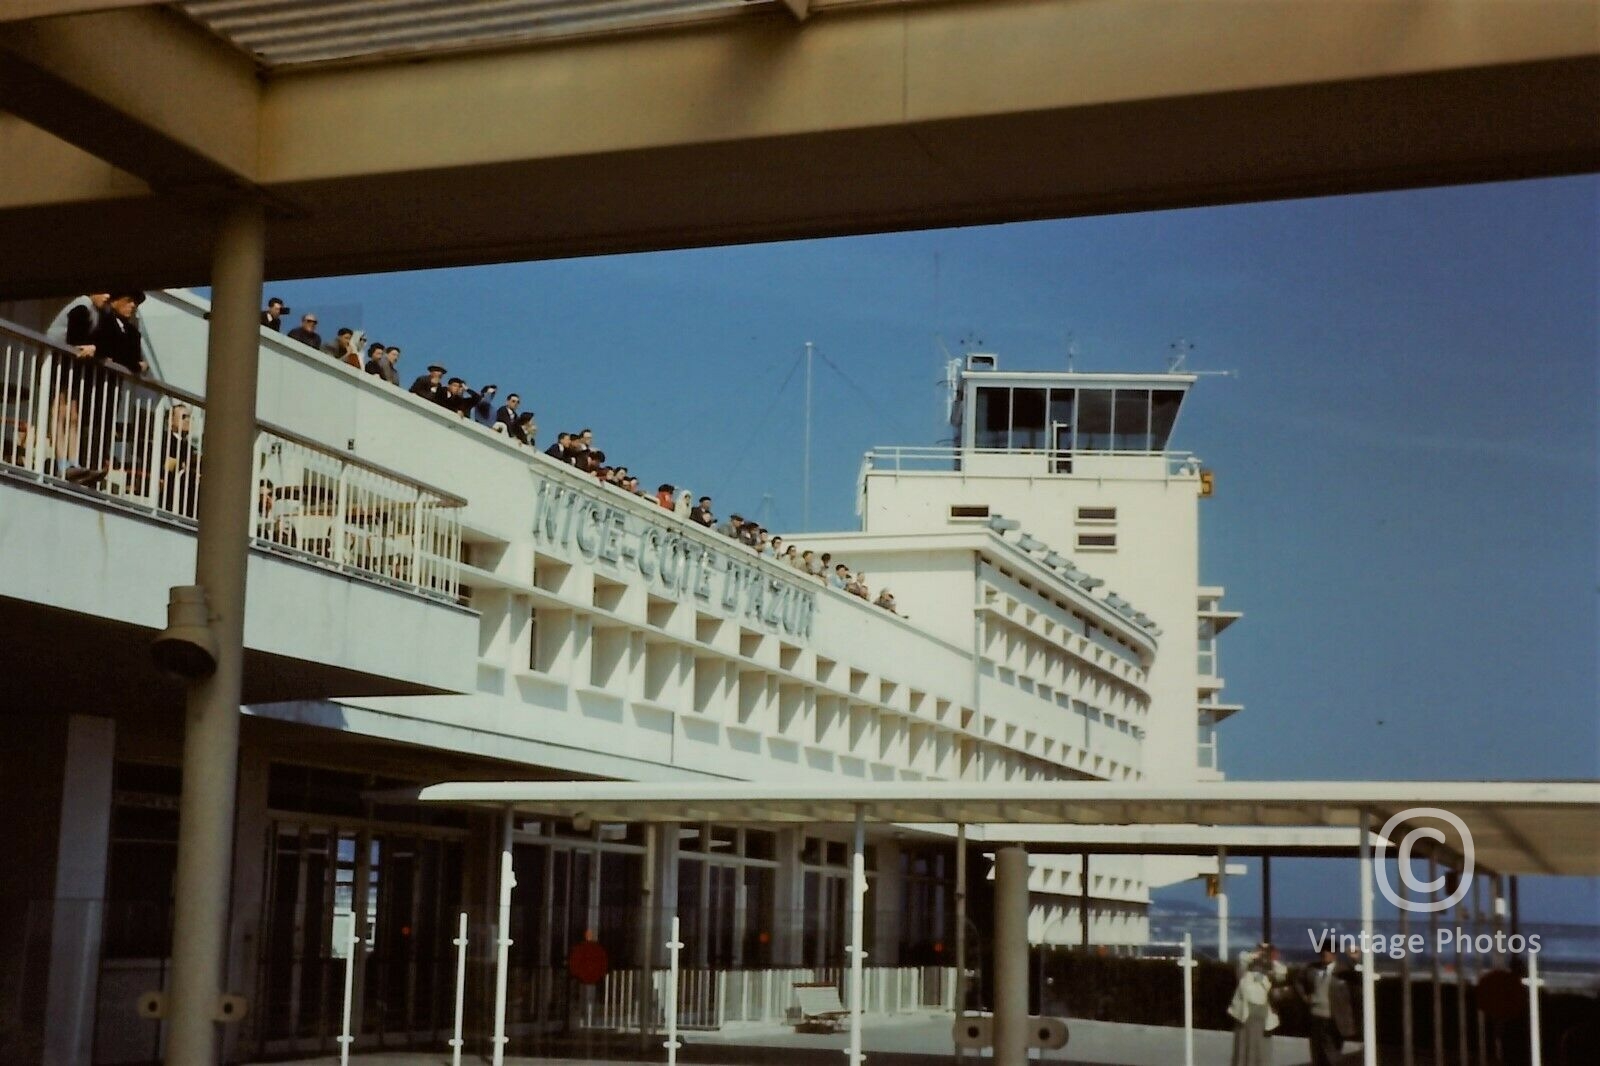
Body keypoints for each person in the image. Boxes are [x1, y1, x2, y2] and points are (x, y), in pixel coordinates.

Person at [1297, 939, 1356, 1066]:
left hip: (1334, 1020)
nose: (1325, 954)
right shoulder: (1312, 969)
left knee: (1332, 1057)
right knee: (1317, 1056)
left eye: (1329, 951)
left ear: (1335, 953)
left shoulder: (1343, 970)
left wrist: (1355, 960)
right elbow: (1298, 981)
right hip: (1315, 1019)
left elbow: (1358, 977)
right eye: (1322, 951)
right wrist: (1305, 997)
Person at [1228, 945, 1281, 1066]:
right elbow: (1242, 958)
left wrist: (1270, 958)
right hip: (1245, 1018)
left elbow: (1281, 971)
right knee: (1242, 1051)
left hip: (1263, 1020)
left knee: (1260, 1052)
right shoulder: (1244, 973)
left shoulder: (1270, 975)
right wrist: (1256, 953)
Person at [158, 403, 200, 517]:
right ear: (171, 420)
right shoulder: (164, 441)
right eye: (183, 417)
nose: (187, 420)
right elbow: (165, 465)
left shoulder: (190, 448)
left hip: (188, 501)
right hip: (171, 496)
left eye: (189, 417)